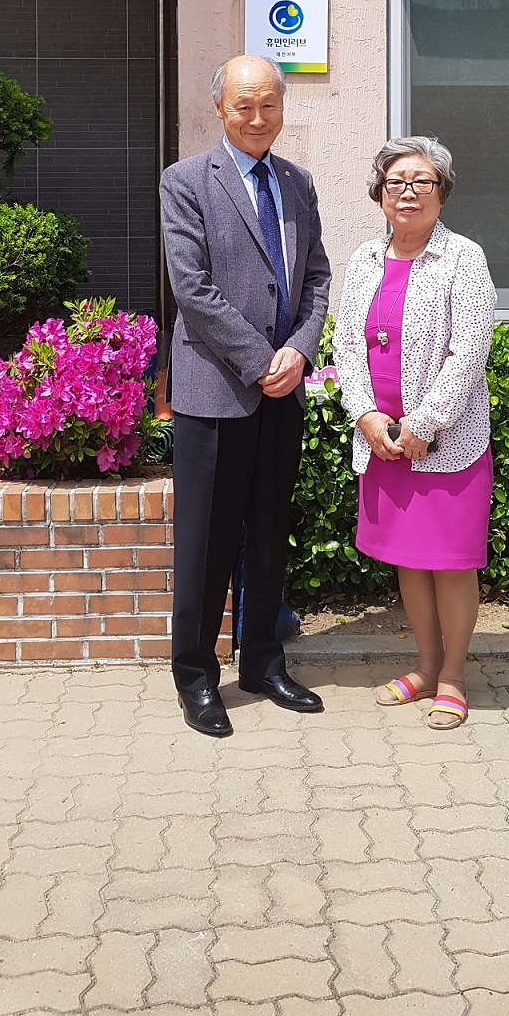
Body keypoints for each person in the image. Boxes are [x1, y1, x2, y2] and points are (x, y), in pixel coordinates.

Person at [159, 55, 331, 736]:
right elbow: (191, 287)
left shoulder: (297, 182)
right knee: (205, 542)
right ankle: (196, 676)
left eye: (268, 105)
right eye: (244, 106)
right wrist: (262, 360)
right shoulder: (185, 181)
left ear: (282, 106)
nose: (257, 118)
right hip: (215, 389)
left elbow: (316, 277)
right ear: (220, 109)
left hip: (282, 389)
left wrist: (302, 350)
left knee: (267, 534)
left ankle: (261, 661)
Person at [332, 137, 496, 730]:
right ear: (379, 193)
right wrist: (364, 415)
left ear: (441, 193)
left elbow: (468, 350)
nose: (408, 192)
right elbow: (346, 344)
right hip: (383, 443)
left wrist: (424, 425)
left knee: (450, 563)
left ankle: (453, 677)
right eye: (396, 182)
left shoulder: (464, 258)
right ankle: (424, 667)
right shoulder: (363, 260)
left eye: (422, 181)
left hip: (447, 445)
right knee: (408, 559)